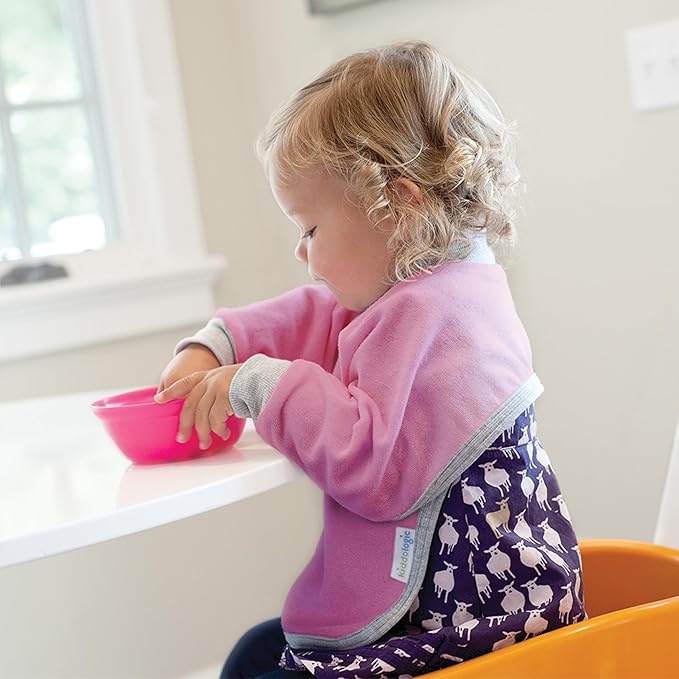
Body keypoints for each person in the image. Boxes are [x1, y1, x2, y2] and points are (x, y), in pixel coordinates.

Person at [154, 41, 586, 678]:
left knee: (258, 668)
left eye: (310, 229)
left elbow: (372, 465)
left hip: (476, 626)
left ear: (399, 205)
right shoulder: (426, 284)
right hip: (433, 606)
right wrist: (219, 343)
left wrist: (259, 383)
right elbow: (321, 316)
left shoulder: (441, 313)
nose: (301, 252)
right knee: (252, 654)